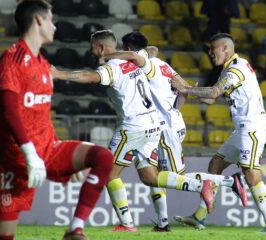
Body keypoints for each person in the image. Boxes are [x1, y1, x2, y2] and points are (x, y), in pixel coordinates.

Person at [0, 2, 114, 240]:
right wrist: (30, 154)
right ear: (38, 20)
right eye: (50, 19)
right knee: (1, 238)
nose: (54, 26)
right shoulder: (11, 61)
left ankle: (74, 229)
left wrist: (63, 163)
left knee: (103, 157)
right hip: (15, 158)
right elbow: (10, 113)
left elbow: (38, 115)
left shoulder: (42, 64)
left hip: (49, 149)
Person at [52, 30, 217, 226]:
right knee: (151, 177)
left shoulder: (112, 67)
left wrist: (59, 74)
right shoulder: (134, 62)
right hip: (152, 127)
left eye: (92, 46)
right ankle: (201, 186)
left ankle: (127, 224)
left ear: (101, 47)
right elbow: (151, 50)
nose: (90, 50)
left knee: (108, 172)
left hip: (132, 128)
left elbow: (90, 76)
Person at [101, 31, 248, 232]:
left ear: (126, 49)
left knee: (174, 177)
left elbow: (143, 58)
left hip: (164, 127)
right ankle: (162, 223)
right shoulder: (163, 64)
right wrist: (174, 110)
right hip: (164, 123)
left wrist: (108, 55)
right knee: (153, 174)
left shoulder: (147, 65)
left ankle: (230, 181)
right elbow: (182, 88)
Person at [172, 33, 266, 233]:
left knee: (251, 173)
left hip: (252, 127)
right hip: (241, 129)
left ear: (225, 48)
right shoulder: (227, 71)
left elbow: (214, 92)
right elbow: (212, 99)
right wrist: (192, 92)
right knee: (215, 164)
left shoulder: (237, 67)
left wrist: (186, 89)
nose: (210, 53)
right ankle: (199, 217)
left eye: (212, 48)